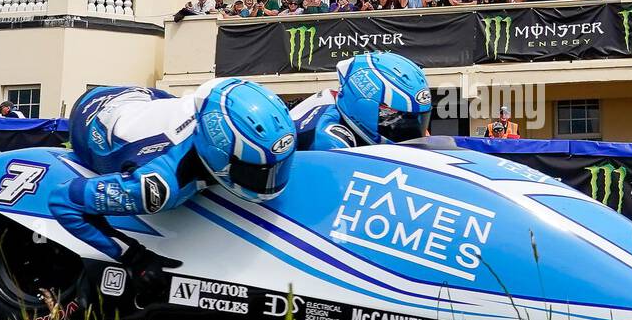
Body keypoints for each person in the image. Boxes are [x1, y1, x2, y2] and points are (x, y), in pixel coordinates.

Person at [50, 80, 296, 299]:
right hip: (94, 116)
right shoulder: (159, 186)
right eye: (256, 172)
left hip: (145, 98)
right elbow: (62, 200)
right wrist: (133, 256)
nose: (270, 180)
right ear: (218, 155)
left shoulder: (213, 112)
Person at [290, 52, 432, 150]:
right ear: (365, 107)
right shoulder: (330, 140)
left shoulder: (416, 133)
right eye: (402, 121)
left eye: (419, 120)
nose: (414, 132)